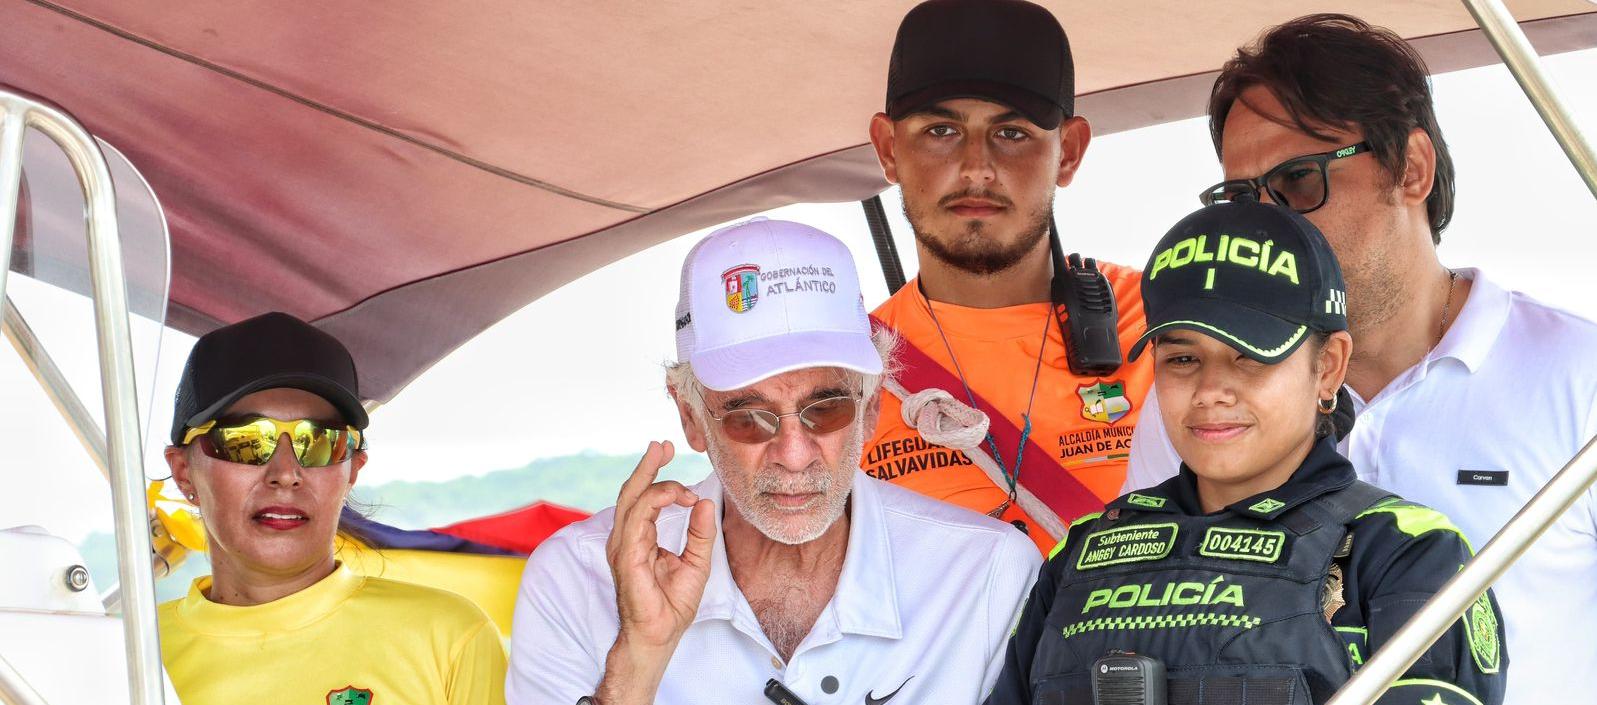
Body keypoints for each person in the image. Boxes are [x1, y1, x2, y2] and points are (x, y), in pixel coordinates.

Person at [1123, 15, 1597, 704]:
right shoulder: (1194, 410)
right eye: (1241, 197)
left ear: (1410, 169)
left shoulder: (1580, 378)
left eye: (1295, 182)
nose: (1268, 225)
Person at [990, 201, 1506, 705]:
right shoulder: (1079, 553)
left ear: (1327, 367)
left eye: (1250, 358)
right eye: (1183, 358)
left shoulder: (1407, 552)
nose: (1211, 389)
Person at [506, 219, 1040, 704]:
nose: (793, 455)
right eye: (749, 417)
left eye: (825, 409)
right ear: (690, 417)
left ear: (872, 408)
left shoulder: (988, 574)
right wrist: (639, 659)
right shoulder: (577, 580)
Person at [865, 0, 1153, 554]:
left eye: (1013, 132)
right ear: (888, 148)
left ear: (1067, 153)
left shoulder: (1168, 326)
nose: (977, 166)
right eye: (941, 129)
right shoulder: (848, 374)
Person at [159, 312, 506, 705]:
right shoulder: (127, 656)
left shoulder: (450, 639)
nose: (286, 473)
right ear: (183, 471)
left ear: (352, 471)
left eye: (319, 441)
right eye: (248, 440)